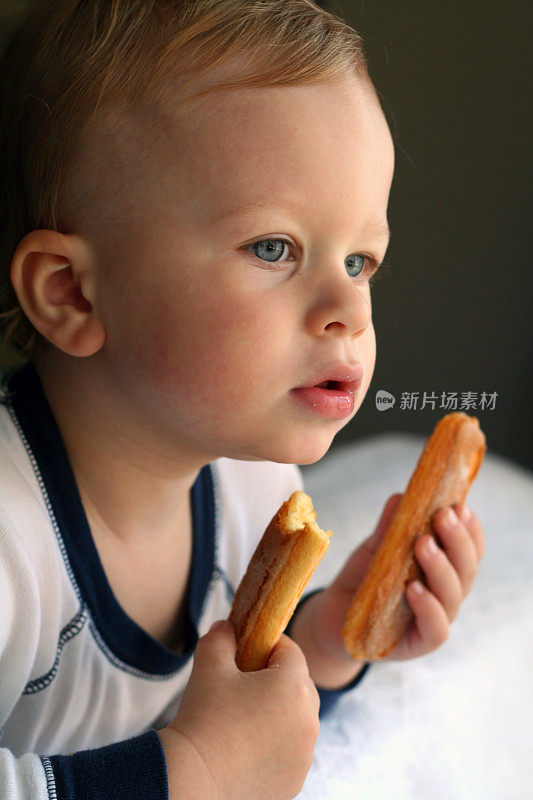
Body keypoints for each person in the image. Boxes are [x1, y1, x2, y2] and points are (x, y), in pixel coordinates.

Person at [0, 1, 485, 798]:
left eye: (362, 262)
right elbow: (204, 751)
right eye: (273, 247)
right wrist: (191, 774)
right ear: (74, 297)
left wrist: (327, 641)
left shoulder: (253, 492)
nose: (350, 309)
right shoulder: (14, 541)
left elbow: (230, 700)